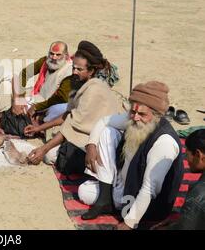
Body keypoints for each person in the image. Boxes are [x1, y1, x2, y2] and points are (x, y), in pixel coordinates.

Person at [78, 81, 184, 230]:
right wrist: (91, 145)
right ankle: (105, 198)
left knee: (86, 193)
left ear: (156, 116)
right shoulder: (134, 119)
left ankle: (114, 203)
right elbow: (103, 121)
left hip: (144, 202)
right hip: (124, 186)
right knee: (84, 190)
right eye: (133, 112)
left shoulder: (164, 142)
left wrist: (129, 223)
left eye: (142, 114)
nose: (135, 118)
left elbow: (149, 189)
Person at [26, 41, 124, 172]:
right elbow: (69, 115)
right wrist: (38, 128)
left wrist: (42, 149)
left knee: (50, 155)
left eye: (79, 69)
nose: (74, 72)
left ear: (91, 71)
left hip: (100, 139)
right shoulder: (78, 82)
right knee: (53, 152)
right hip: (84, 131)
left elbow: (73, 123)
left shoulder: (94, 89)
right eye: (73, 68)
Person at [152, 129, 205, 230]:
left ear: (198, 155)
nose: (186, 159)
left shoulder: (197, 197)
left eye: (187, 154)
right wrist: (180, 220)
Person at [11, 41, 72, 124]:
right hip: (37, 96)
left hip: (52, 105)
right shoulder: (45, 61)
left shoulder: (69, 71)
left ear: (66, 56)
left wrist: (36, 107)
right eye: (51, 53)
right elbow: (24, 73)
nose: (54, 57)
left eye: (58, 55)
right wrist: (21, 97)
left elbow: (61, 99)